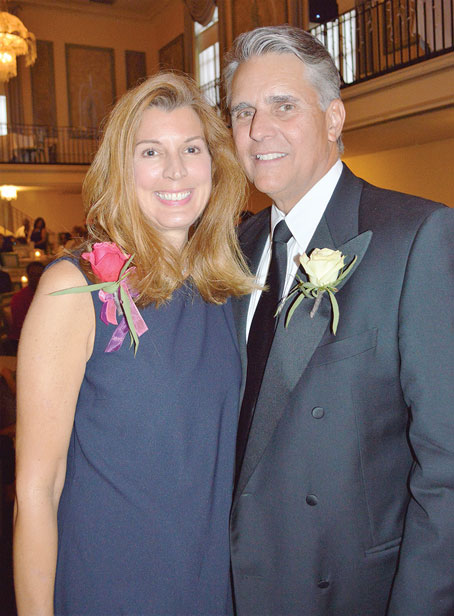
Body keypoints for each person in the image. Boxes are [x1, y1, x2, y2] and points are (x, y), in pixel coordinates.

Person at [224, 25, 454, 616]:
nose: (258, 129)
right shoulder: (234, 249)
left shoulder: (416, 237)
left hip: (349, 590)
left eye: (283, 106)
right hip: (233, 583)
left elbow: (447, 468)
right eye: (244, 111)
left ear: (333, 118)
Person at [13, 72, 254, 616]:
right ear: (121, 169)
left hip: (209, 585)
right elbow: (36, 490)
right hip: (111, 587)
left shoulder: (224, 291)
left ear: (214, 164)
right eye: (151, 151)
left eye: (191, 148)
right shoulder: (75, 289)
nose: (175, 169)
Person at [7, 261, 45, 352]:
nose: (35, 278)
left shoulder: (46, 294)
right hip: (21, 340)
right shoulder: (19, 297)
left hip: (40, 336)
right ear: (28, 276)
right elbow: (21, 326)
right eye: (32, 275)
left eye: (39, 275)